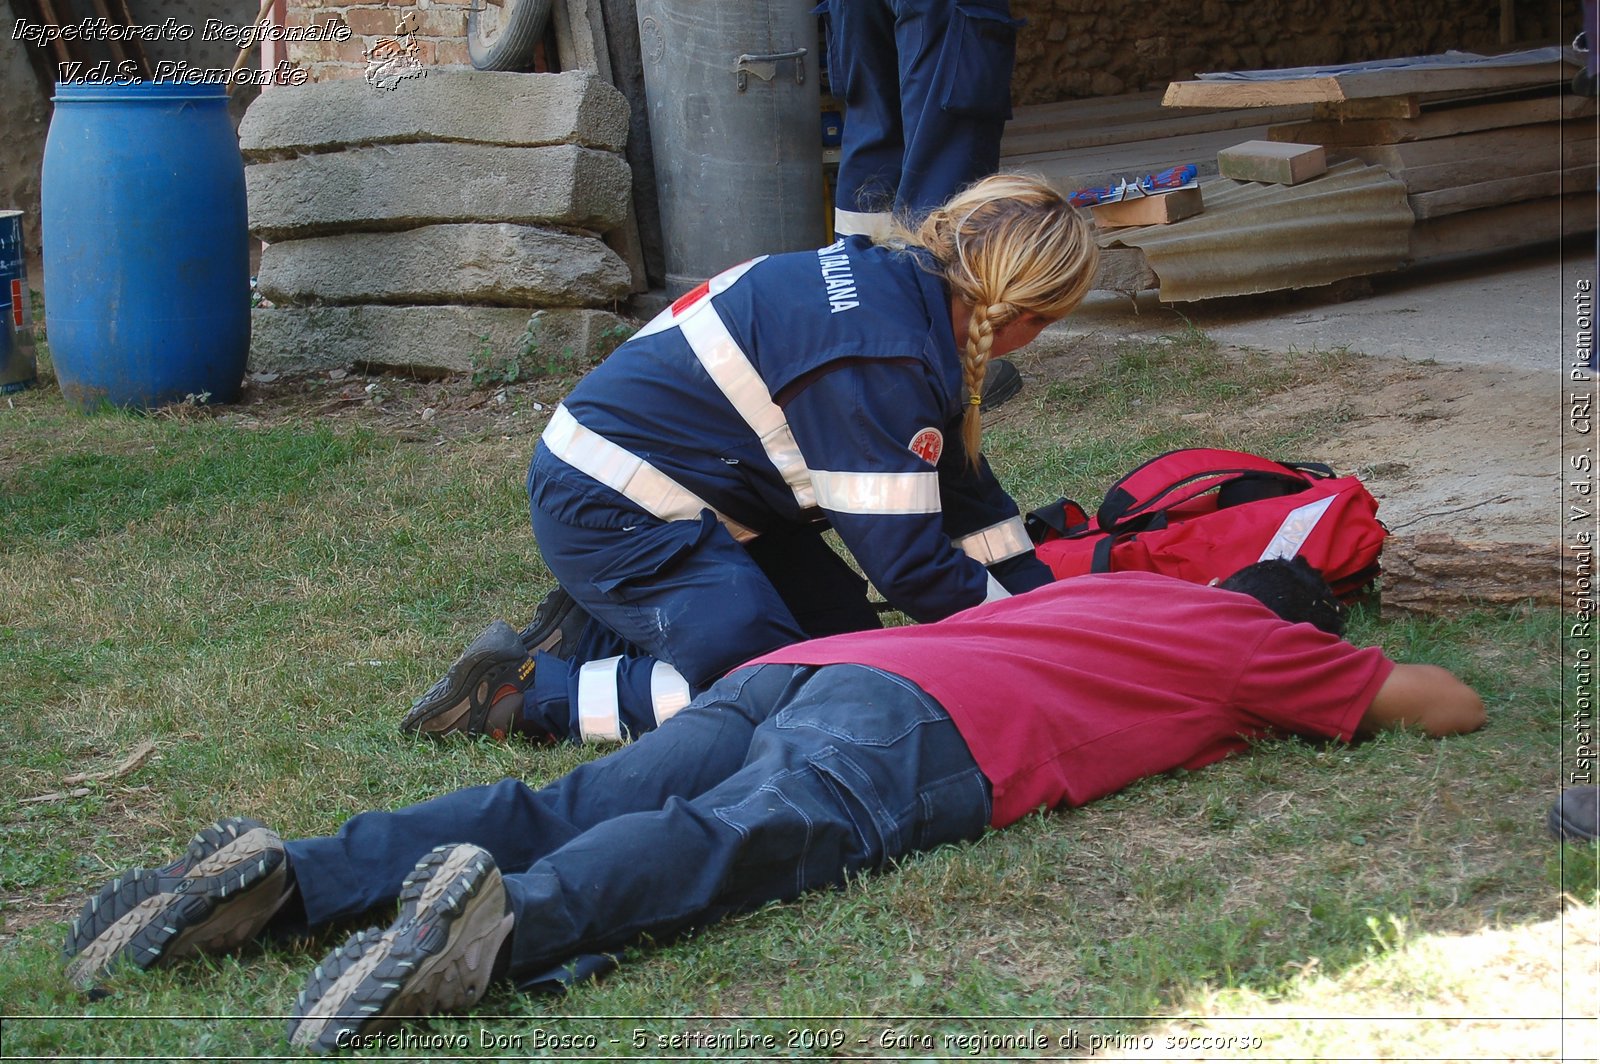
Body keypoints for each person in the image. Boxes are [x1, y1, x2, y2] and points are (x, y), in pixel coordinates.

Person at [63, 560, 1485, 1053]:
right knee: (729, 843)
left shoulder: (1116, 590)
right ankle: (485, 943)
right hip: (931, 734)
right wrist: (1344, 665)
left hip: (813, 667)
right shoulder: (1271, 650)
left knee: (569, 801)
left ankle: (294, 878)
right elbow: (1444, 706)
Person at [400, 173, 1097, 746]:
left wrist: (1049, 610)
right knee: (801, 683)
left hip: (666, 495)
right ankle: (523, 693)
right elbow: (910, 567)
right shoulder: (880, 357)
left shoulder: (900, 297)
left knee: (849, 647)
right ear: (1026, 317)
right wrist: (1028, 642)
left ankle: (588, 629)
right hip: (615, 509)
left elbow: (966, 504)